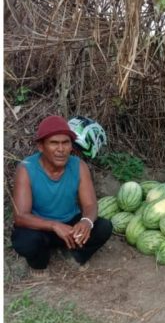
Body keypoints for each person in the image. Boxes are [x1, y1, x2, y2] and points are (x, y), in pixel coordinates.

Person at [10, 114, 112, 270]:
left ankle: (76, 256)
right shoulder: (26, 168)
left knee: (104, 227)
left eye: (66, 143)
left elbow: (90, 205)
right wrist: (54, 225)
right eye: (54, 143)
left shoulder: (79, 166)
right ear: (41, 146)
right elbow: (21, 217)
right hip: (41, 228)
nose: (61, 149)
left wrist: (86, 222)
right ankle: (41, 262)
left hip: (71, 226)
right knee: (24, 241)